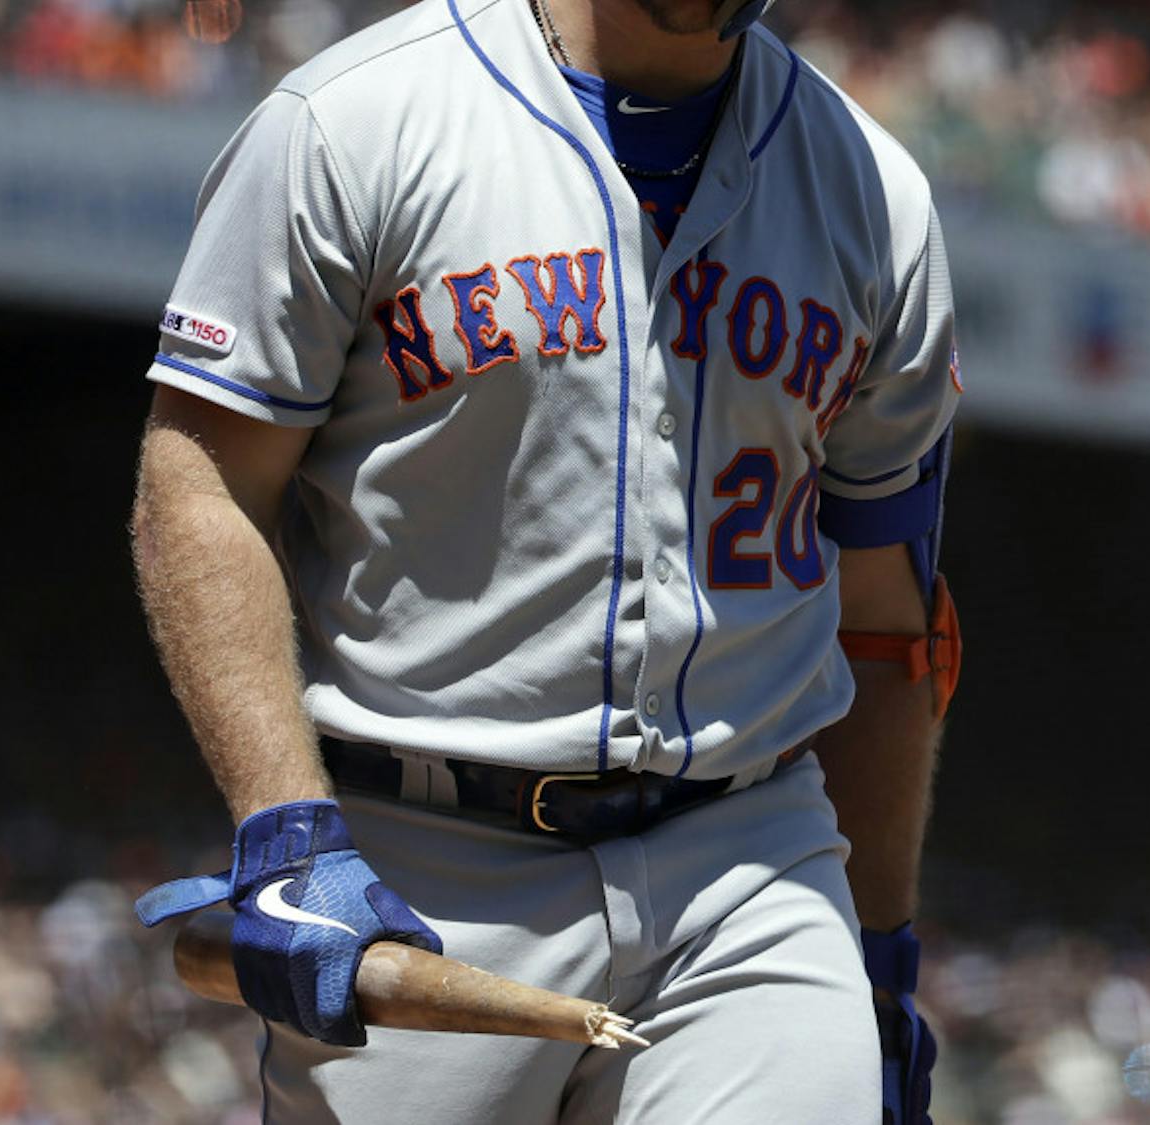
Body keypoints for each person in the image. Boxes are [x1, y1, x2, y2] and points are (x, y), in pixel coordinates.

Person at [129, 0, 962, 1116]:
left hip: (751, 857)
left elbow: (882, 617)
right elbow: (202, 487)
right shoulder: (354, 120)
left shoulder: (877, 194)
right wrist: (286, 832)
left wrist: (879, 951)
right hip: (425, 865)